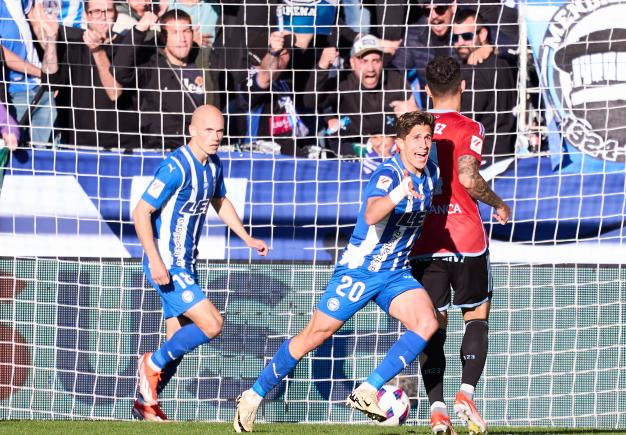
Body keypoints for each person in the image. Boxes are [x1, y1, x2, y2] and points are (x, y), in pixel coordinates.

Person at [233, 111, 440, 433]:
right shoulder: (388, 174)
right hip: (360, 271)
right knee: (314, 335)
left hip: (394, 272)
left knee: (427, 322)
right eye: (416, 138)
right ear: (399, 144)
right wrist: (399, 192)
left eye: (428, 138)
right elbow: (371, 213)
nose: (424, 145)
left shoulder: (431, 175)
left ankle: (368, 390)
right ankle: (253, 395)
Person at [131, 104, 269, 420]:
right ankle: (148, 364)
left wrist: (246, 237)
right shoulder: (175, 167)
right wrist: (155, 260)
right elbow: (140, 212)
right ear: (192, 130)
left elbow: (219, 200)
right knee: (212, 324)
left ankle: (147, 406)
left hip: (187, 266)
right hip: (167, 263)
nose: (216, 137)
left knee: (175, 346)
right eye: (209, 130)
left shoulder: (214, 165)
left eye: (220, 131)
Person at [409, 56, 511, 435]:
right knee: (476, 314)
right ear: (463, 86)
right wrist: (498, 203)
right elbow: (468, 177)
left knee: (431, 323)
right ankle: (466, 392)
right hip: (465, 238)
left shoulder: (414, 130)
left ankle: (436, 410)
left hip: (425, 240)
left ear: (426, 89)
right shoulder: (469, 127)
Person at [113, 9, 213, 149]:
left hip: (203, 147)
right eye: (175, 32)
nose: (182, 38)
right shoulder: (153, 68)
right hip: (163, 150)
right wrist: (139, 30)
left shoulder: (204, 61)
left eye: (186, 31)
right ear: (163, 37)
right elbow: (120, 71)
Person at [305, 34, 418, 157]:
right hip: (353, 153)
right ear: (352, 63)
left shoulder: (396, 81)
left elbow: (418, 126)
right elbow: (310, 102)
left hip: (392, 151)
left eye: (375, 61)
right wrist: (322, 67)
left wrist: (414, 115)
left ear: (382, 62)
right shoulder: (343, 82)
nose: (370, 68)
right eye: (364, 61)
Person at [50, 0, 139, 148]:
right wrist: (51, 39)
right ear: (85, 16)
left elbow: (114, 92)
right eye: (97, 12)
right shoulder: (72, 45)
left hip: (123, 145)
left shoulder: (128, 46)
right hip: (81, 145)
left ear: (116, 15)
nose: (103, 17)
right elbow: (50, 81)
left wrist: (97, 51)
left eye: (108, 11)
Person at [451, 8, 516, 158]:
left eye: (467, 36)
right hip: (505, 152)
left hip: (480, 157)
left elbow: (463, 118)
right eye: (455, 38)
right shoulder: (503, 63)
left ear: (483, 34)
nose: (460, 43)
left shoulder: (473, 69)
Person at [0, 1, 59, 145]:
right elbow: (1, 53)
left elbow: (36, 21)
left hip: (40, 86)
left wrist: (50, 69)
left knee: (50, 155)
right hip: (12, 94)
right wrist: (42, 73)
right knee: (16, 156)